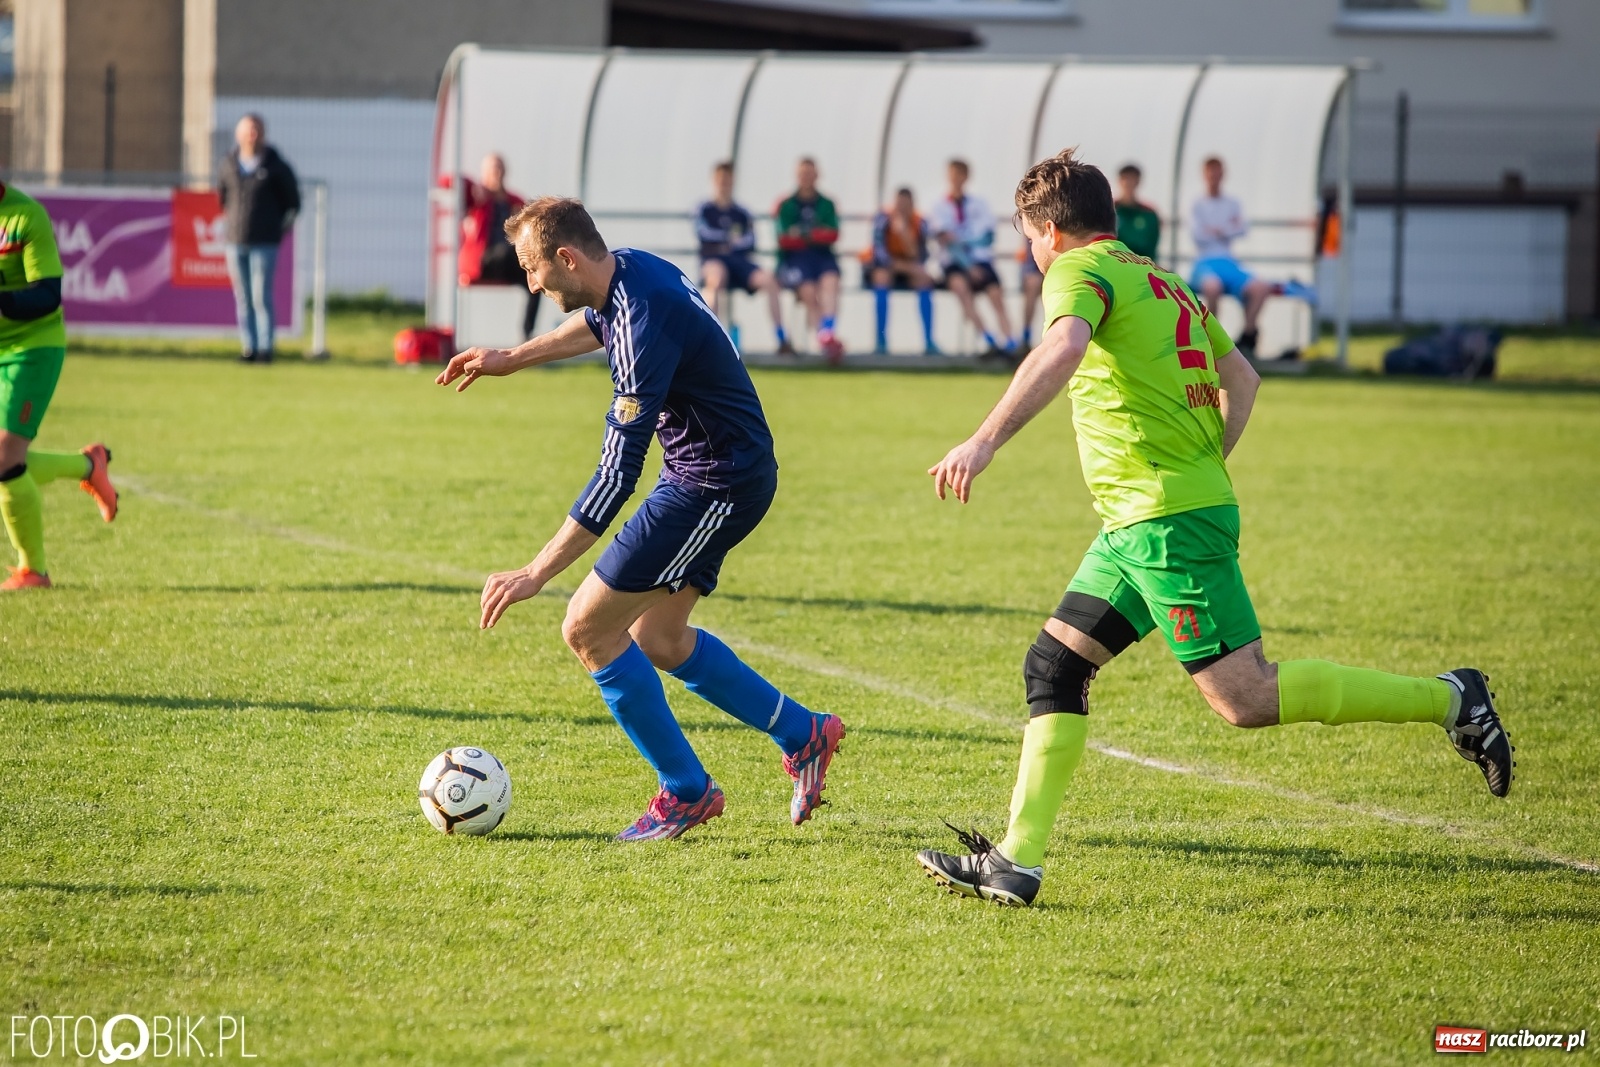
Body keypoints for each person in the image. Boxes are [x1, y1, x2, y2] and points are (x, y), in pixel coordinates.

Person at [915, 148, 1512, 908]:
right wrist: (1199, 465)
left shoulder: (1077, 272)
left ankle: (1452, 699)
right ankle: (1017, 860)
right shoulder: (1165, 281)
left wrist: (985, 438)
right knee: (1054, 667)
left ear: (1055, 231)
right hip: (1145, 518)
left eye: (1029, 236)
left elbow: (1061, 346)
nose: (1029, 252)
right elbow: (1244, 380)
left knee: (1244, 698)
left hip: (1163, 521)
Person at [436, 196, 845, 841]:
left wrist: (533, 573)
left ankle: (686, 791)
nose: (531, 283)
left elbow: (615, 476)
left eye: (531, 268)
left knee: (587, 629)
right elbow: (598, 323)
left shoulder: (642, 322)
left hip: (714, 482)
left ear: (566, 258)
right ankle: (805, 731)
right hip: (718, 471)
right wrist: (513, 357)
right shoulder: (627, 272)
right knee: (658, 637)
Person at [0, 181, 119, 591]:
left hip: (31, 347)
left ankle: (33, 571)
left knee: (4, 456)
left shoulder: (25, 216)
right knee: (6, 459)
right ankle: (90, 465)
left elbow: (48, 295)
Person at [217, 113, 300, 364]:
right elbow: (222, 199)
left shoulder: (275, 165)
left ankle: (266, 348)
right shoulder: (229, 164)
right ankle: (248, 347)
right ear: (238, 135)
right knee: (243, 297)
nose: (252, 135)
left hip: (265, 241)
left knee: (260, 296)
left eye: (256, 129)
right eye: (247, 130)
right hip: (236, 240)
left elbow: (293, 203)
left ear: (263, 133)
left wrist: (276, 229)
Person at [696, 161, 789, 355]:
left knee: (770, 281)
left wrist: (730, 242)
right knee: (715, 281)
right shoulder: (704, 209)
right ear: (714, 181)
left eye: (728, 180)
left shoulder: (742, 212)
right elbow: (703, 234)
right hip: (714, 260)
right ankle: (710, 340)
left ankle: (782, 339)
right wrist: (728, 240)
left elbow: (751, 239)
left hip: (739, 262)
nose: (725, 184)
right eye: (721, 180)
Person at [930, 159, 1017, 357]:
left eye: (960, 175)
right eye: (953, 175)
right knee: (961, 289)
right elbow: (946, 240)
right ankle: (988, 338)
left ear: (967, 177)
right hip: (955, 263)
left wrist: (964, 242)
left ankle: (1011, 341)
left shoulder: (980, 204)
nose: (956, 179)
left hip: (980, 261)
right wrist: (968, 264)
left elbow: (987, 236)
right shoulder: (939, 207)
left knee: (996, 294)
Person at [1188, 156, 1272, 356]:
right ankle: (1211, 339)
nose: (1214, 178)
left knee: (1261, 288)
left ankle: (1248, 335)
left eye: (1218, 173)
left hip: (1228, 261)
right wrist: (1227, 228)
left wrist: (1217, 230)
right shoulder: (1197, 204)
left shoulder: (1232, 202)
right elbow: (1197, 235)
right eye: (1211, 174)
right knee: (1212, 287)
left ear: (1223, 175)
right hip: (1205, 262)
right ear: (1204, 175)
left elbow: (1242, 229)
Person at [454, 152, 539, 341]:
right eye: (493, 169)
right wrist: (476, 187)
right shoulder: (477, 199)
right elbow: (449, 182)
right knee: (509, 249)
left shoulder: (514, 201)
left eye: (500, 168)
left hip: (508, 261)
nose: (497, 173)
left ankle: (527, 334)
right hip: (483, 260)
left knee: (537, 279)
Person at [774, 158, 844, 363]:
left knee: (831, 281)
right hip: (795, 259)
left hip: (822, 256)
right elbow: (784, 238)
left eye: (810, 173)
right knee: (808, 291)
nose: (807, 178)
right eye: (803, 173)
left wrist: (804, 235)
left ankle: (826, 333)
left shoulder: (826, 203)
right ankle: (824, 338)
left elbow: (833, 234)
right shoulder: (786, 205)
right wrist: (814, 234)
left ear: (817, 175)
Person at [865, 188, 937, 356]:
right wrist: (903, 266)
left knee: (924, 280)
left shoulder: (920, 222)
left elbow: (922, 254)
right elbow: (879, 253)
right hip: (887, 267)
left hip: (909, 266)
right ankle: (881, 340)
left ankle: (929, 341)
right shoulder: (883, 219)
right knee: (881, 278)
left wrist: (904, 234)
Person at [1114, 163, 1161, 260]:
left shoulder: (1149, 214)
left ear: (1138, 182)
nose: (1128, 183)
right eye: (1125, 179)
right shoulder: (1109, 210)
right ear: (1119, 181)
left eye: (1132, 179)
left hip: (1141, 266)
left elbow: (1151, 247)